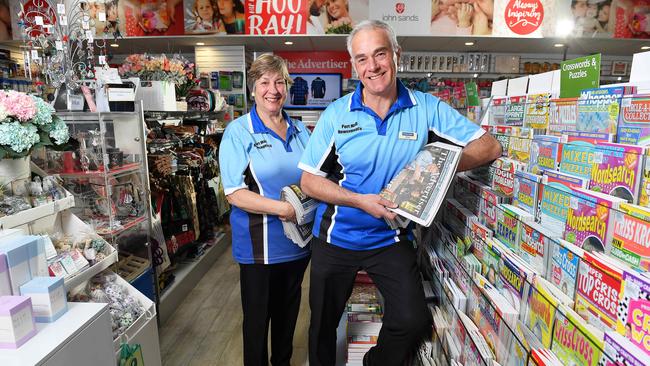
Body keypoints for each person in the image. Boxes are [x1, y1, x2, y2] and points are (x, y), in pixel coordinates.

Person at [298, 20, 502, 366]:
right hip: (336, 238)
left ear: (396, 55)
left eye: (380, 54)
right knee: (321, 328)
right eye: (362, 59)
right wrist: (359, 201)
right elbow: (309, 181)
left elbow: (489, 146)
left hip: (390, 239)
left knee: (412, 320)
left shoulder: (425, 107)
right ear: (354, 66)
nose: (372, 66)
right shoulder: (337, 114)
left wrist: (437, 166)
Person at [218, 54, 311, 366]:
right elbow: (234, 193)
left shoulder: (301, 131)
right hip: (259, 249)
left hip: (298, 245)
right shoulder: (239, 131)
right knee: (258, 324)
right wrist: (282, 209)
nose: (273, 89)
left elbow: (314, 178)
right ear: (253, 89)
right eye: (265, 83)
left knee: (287, 321)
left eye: (279, 82)